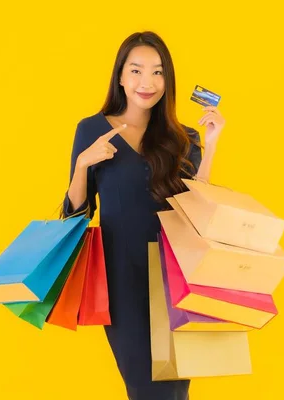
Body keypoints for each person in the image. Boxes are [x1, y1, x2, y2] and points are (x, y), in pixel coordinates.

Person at [60, 31, 226, 400]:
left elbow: (197, 208)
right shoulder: (91, 130)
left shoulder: (183, 138)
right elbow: (76, 214)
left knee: (174, 390)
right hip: (121, 277)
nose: (146, 82)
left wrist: (210, 146)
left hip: (175, 275)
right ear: (120, 76)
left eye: (157, 72)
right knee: (144, 387)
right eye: (136, 70)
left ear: (167, 81)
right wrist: (83, 165)